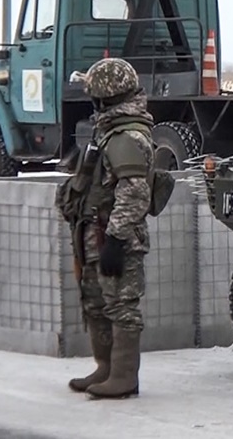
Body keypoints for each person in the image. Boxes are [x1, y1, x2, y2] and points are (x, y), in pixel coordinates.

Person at [57, 57, 156, 400]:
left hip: (115, 237)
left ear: (105, 98)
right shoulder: (110, 131)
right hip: (95, 233)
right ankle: (106, 367)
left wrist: (115, 238)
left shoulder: (128, 136)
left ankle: (124, 377)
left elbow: (135, 191)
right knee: (96, 303)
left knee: (121, 306)